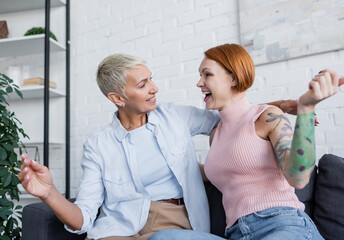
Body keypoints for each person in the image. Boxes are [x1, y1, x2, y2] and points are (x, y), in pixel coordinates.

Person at [18, 53, 299, 240]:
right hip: (119, 229)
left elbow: (234, 115)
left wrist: (277, 106)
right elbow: (83, 218)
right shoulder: (98, 146)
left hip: (175, 225)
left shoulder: (174, 116)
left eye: (151, 78)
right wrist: (49, 193)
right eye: (143, 84)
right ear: (117, 98)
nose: (154, 88)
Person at [149, 44, 344, 240]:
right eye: (200, 75)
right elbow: (226, 155)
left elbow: (299, 178)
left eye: (207, 74)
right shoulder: (216, 134)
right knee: (164, 237)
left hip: (282, 224)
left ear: (233, 78)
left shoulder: (267, 117)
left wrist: (306, 108)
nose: (199, 83)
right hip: (237, 234)